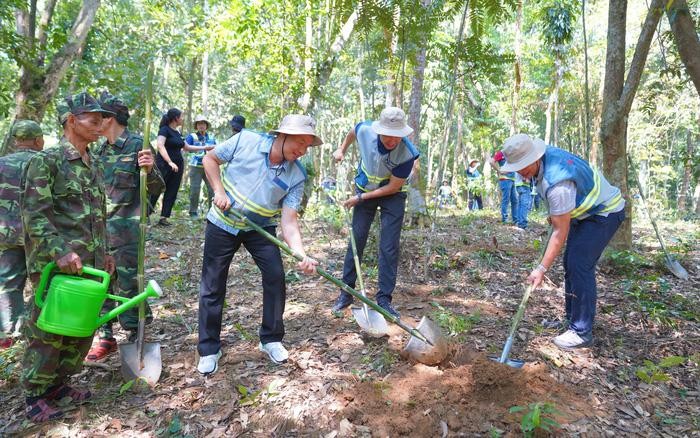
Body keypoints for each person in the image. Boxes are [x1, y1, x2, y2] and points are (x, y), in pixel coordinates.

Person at [197, 114, 321, 374]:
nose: (302, 150)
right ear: (282, 134)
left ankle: (271, 338)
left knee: (275, 276)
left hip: (260, 229)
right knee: (213, 283)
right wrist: (218, 191)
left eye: (307, 146)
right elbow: (210, 159)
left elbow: (289, 221)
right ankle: (209, 348)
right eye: (299, 142)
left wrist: (301, 254)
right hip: (222, 222)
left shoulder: (297, 174)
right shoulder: (246, 140)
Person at [20, 92, 116, 422]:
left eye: (103, 120)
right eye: (93, 119)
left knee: (80, 326)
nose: (100, 126)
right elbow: (35, 214)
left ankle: (59, 384)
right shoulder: (46, 161)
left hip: (89, 264)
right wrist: (60, 251)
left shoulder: (94, 163)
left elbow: (97, 215)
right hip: (57, 264)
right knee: (49, 329)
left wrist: (105, 254)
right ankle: (35, 393)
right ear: (71, 121)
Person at [499, 133, 625, 350]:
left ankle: (581, 331)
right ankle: (572, 320)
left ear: (535, 157)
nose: (521, 172)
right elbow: (559, 214)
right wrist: (558, 213)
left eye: (524, 166)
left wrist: (541, 269)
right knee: (571, 264)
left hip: (604, 212)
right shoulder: (544, 164)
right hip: (583, 213)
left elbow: (560, 233)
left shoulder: (557, 182)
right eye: (517, 168)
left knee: (579, 265)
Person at [85, 91, 165, 361]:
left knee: (130, 283)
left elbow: (157, 187)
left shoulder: (137, 146)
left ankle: (135, 334)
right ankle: (105, 335)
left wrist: (151, 169)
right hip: (100, 231)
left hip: (128, 232)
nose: (94, 121)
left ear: (110, 119)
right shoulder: (100, 150)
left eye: (99, 116)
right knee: (100, 281)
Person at [331, 107, 419, 318]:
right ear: (379, 130)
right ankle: (347, 291)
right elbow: (352, 132)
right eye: (388, 134)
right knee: (356, 239)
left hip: (392, 196)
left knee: (389, 247)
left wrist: (360, 198)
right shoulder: (366, 130)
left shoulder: (407, 153)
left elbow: (392, 188)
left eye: (397, 136)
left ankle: (384, 299)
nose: (392, 140)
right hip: (364, 189)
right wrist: (341, 149)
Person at [0, 120, 44, 349]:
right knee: (43, 282)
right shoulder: (44, 162)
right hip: (37, 235)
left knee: (9, 283)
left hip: (6, 234)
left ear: (16, 141)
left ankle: (9, 334)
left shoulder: (1, 164)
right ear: (38, 140)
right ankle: (38, 330)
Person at [149, 108, 184, 226]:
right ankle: (146, 215)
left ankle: (164, 217)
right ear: (176, 118)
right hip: (164, 165)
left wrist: (205, 148)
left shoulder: (177, 132)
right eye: (181, 116)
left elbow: (186, 146)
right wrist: (169, 162)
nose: (183, 119)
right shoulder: (164, 130)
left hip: (178, 166)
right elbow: (160, 145)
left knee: (172, 190)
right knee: (156, 188)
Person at [185, 115, 217, 218]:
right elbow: (185, 148)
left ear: (206, 125)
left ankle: (212, 212)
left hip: (209, 166)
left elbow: (216, 150)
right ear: (196, 126)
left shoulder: (211, 137)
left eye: (203, 123)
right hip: (196, 166)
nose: (201, 126)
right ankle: (193, 212)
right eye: (199, 124)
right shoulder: (192, 136)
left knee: (212, 189)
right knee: (195, 189)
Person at [491, 150, 518, 223]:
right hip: (505, 179)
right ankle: (504, 218)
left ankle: (515, 219)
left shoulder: (512, 153)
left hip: (513, 179)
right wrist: (499, 170)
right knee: (506, 199)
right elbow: (492, 161)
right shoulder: (501, 153)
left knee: (514, 200)